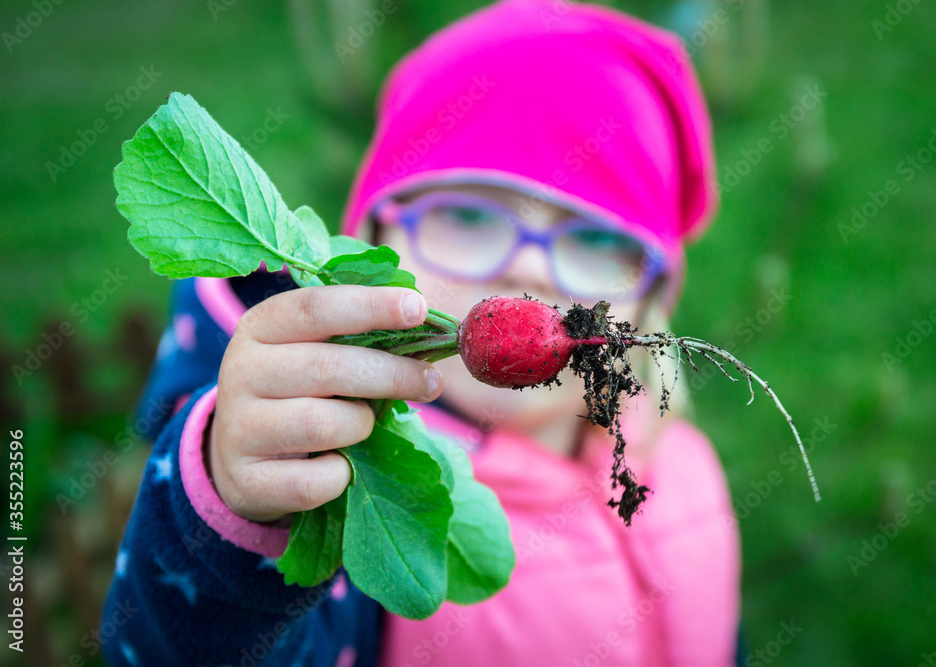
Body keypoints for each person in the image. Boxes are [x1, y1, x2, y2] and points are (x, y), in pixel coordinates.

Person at [102, 0, 742, 664]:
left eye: (595, 239)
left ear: (652, 299)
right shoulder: (340, 486)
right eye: (466, 216)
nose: (525, 267)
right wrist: (240, 502)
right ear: (373, 239)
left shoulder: (682, 471)